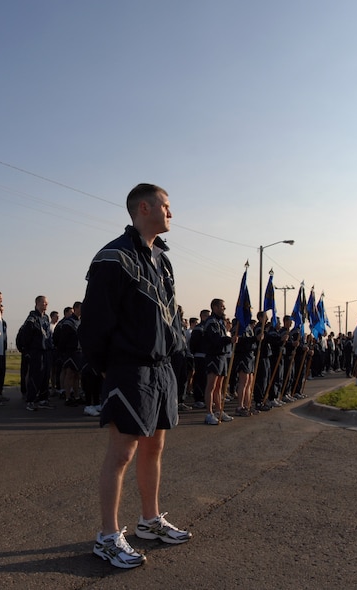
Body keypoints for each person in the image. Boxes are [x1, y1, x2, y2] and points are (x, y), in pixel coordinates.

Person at [80, 183, 191, 569]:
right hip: (129, 369)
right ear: (144, 208)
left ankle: (149, 521)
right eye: (166, 206)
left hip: (161, 369)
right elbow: (93, 323)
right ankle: (108, 536)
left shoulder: (162, 259)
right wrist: (107, 367)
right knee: (123, 452)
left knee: (154, 447)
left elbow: (169, 315)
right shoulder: (113, 257)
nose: (171, 213)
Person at [17, 295, 54, 411]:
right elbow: (26, 336)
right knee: (35, 376)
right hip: (36, 352)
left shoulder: (46, 317)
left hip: (46, 351)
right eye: (44, 303)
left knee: (45, 376)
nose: (46, 305)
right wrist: (27, 351)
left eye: (47, 303)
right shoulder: (32, 319)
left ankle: (43, 399)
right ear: (37, 303)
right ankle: (30, 400)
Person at [202, 298, 234, 425]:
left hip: (222, 356)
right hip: (213, 356)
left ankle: (218, 410)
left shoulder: (221, 322)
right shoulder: (211, 322)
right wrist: (228, 340)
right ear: (214, 307)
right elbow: (216, 339)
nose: (224, 309)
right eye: (222, 306)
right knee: (211, 385)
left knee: (219, 386)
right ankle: (209, 413)